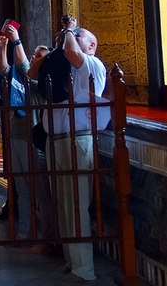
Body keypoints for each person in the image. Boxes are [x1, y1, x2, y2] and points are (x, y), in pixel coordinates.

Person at [32, 18, 110, 281]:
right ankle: (72, 260)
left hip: (77, 140)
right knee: (63, 205)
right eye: (71, 35)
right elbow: (33, 73)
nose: (71, 37)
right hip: (58, 140)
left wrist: (68, 29)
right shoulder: (66, 65)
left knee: (76, 204)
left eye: (78, 36)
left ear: (92, 45)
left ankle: (84, 268)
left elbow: (70, 51)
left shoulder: (91, 64)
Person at [0, 22, 57, 243]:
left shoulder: (41, 83)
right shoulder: (21, 79)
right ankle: (26, 232)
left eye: (40, 57)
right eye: (34, 55)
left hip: (33, 139)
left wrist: (17, 41)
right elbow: (3, 70)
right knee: (22, 188)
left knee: (41, 192)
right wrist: (3, 46)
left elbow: (23, 66)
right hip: (16, 135)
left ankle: (46, 237)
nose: (34, 58)